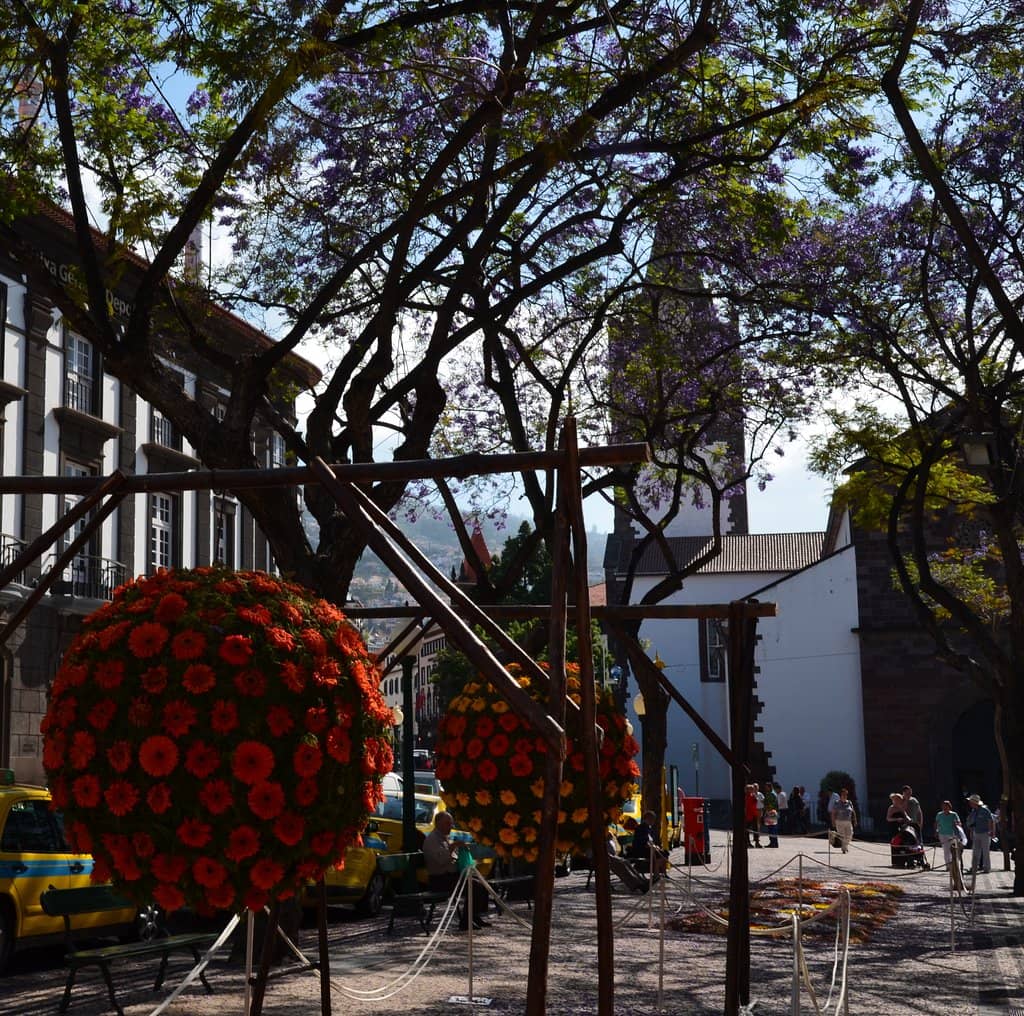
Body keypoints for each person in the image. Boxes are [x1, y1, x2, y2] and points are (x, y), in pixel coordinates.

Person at [423, 812, 487, 929]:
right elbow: (441, 860)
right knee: (474, 886)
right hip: (440, 880)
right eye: (447, 824)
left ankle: (474, 916)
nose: (451, 826)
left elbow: (453, 858)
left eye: (451, 824)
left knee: (481, 882)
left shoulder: (443, 838)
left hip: (450, 876)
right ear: (438, 824)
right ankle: (466, 921)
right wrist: (453, 846)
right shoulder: (432, 840)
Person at [629, 810, 668, 876]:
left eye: (653, 819)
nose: (653, 821)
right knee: (658, 854)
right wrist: (653, 847)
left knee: (664, 853)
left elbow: (651, 841)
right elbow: (643, 842)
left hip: (648, 849)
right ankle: (656, 875)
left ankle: (664, 873)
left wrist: (656, 846)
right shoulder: (640, 828)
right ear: (647, 819)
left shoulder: (649, 829)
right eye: (652, 819)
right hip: (640, 850)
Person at [965, 794, 996, 874]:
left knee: (985, 851)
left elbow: (991, 821)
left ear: (974, 802)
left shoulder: (985, 810)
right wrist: (971, 832)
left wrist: (992, 832)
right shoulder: (973, 811)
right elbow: (972, 823)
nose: (969, 803)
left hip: (985, 833)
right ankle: (975, 866)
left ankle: (987, 868)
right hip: (976, 833)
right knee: (975, 851)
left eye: (971, 802)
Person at [934, 799, 965, 868]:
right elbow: (936, 823)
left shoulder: (954, 814)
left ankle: (955, 864)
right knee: (946, 850)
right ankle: (948, 866)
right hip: (942, 834)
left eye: (946, 806)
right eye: (943, 806)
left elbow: (959, 823)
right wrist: (936, 831)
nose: (945, 808)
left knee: (954, 850)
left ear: (949, 807)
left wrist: (957, 824)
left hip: (952, 834)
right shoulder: (939, 814)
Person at [829, 787, 856, 853]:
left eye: (846, 795)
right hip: (839, 821)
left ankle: (845, 846)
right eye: (843, 795)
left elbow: (853, 811)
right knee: (842, 835)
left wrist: (855, 819)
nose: (845, 796)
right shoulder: (837, 803)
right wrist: (833, 821)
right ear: (840, 795)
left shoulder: (849, 802)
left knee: (850, 835)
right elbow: (833, 813)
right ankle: (844, 848)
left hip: (848, 822)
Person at [763, 782, 779, 847]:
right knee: (770, 828)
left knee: (772, 828)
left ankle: (774, 843)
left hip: (771, 812)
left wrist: (765, 805)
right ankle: (772, 842)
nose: (765, 788)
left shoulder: (772, 794)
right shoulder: (770, 793)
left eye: (766, 787)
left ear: (769, 787)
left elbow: (772, 804)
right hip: (770, 812)